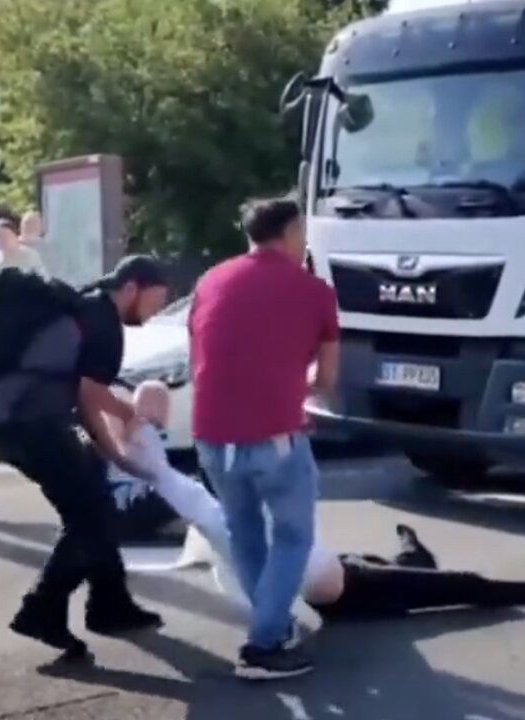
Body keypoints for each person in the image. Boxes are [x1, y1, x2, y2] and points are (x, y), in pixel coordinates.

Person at [115, 381, 525, 638]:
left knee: (388, 567)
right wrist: (137, 445)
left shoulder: (232, 504)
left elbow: (173, 474)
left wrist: (140, 436)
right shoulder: (222, 521)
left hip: (344, 574)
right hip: (352, 596)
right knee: (462, 586)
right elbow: (172, 481)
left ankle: (413, 554)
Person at [0, 255, 171, 660]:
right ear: (132, 287)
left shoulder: (84, 305)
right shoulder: (102, 321)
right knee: (91, 515)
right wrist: (122, 449)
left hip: (5, 414)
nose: (152, 313)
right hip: (27, 422)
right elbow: (90, 397)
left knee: (92, 500)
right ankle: (42, 609)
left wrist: (110, 445)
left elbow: (83, 393)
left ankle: (110, 603)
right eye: (155, 300)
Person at [188, 195, 340, 680]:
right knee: (293, 536)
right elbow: (328, 379)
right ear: (291, 233)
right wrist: (297, 380)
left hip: (210, 436)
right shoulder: (313, 290)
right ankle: (264, 645)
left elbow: (200, 354)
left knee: (245, 533)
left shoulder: (210, 280)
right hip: (273, 437)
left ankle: (271, 625)